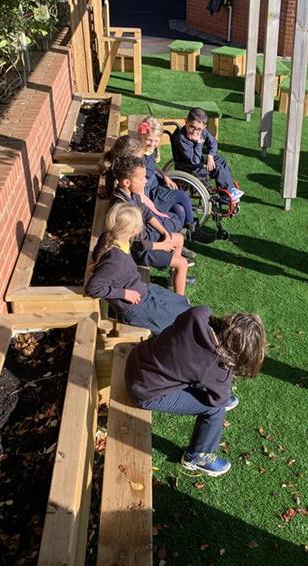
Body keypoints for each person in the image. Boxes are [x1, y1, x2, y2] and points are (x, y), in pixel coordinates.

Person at [125, 306, 266, 477]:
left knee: (200, 377)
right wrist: (227, 370)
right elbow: (219, 400)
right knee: (215, 411)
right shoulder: (216, 367)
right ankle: (196, 457)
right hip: (145, 391)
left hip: (138, 360)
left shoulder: (199, 314)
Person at [86, 203, 192, 335]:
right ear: (133, 231)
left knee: (181, 305)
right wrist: (125, 294)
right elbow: (92, 288)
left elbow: (100, 254)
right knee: (180, 324)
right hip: (136, 307)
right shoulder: (116, 260)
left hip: (143, 291)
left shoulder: (111, 237)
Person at [109, 155, 194, 294]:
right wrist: (163, 245)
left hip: (145, 238)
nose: (145, 181)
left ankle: (173, 281)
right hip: (139, 251)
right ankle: (180, 302)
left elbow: (147, 213)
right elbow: (135, 244)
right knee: (182, 263)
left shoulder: (132, 194)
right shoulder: (122, 208)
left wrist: (164, 233)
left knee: (178, 238)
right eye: (142, 179)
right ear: (126, 182)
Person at [135, 117, 215, 243]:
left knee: (180, 209)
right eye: (149, 140)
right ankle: (193, 231)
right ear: (141, 135)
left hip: (156, 185)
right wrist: (155, 211)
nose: (153, 144)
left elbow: (151, 166)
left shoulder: (147, 149)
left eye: (156, 141)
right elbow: (140, 191)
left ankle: (176, 241)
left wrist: (164, 175)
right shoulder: (138, 156)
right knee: (182, 195)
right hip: (150, 194)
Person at [172, 107, 243, 203]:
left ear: (204, 127)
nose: (195, 131)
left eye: (199, 129)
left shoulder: (202, 131)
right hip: (190, 166)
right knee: (217, 166)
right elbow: (195, 161)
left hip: (199, 159)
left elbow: (213, 143)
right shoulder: (182, 139)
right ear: (186, 122)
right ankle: (226, 196)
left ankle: (230, 189)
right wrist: (198, 142)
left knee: (220, 159)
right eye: (192, 127)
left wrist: (210, 156)